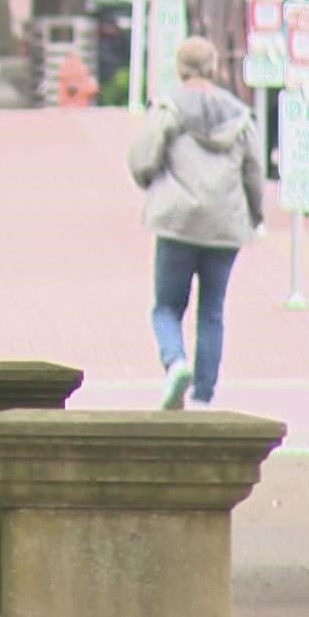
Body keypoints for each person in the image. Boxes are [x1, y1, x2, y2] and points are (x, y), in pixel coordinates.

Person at [126, 36, 264, 410]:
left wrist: (152, 183)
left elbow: (142, 160)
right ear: (215, 67)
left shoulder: (169, 109)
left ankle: (175, 364)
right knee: (212, 309)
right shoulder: (239, 115)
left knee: (168, 306)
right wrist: (256, 214)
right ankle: (203, 395)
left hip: (178, 221)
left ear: (180, 67)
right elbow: (254, 172)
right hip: (226, 224)